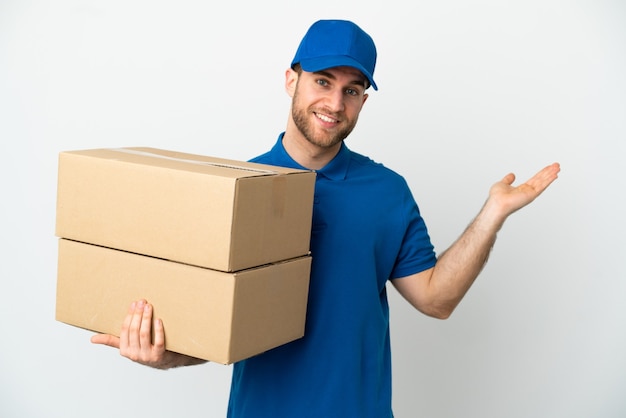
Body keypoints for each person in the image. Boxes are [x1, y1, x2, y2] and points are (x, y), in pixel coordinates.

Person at [91, 19, 560, 417]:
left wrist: (492, 214)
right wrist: (163, 355)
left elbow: (436, 299)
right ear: (291, 79)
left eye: (351, 90)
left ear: (363, 100)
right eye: (322, 81)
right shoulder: (235, 187)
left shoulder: (387, 192)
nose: (335, 104)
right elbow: (216, 329)